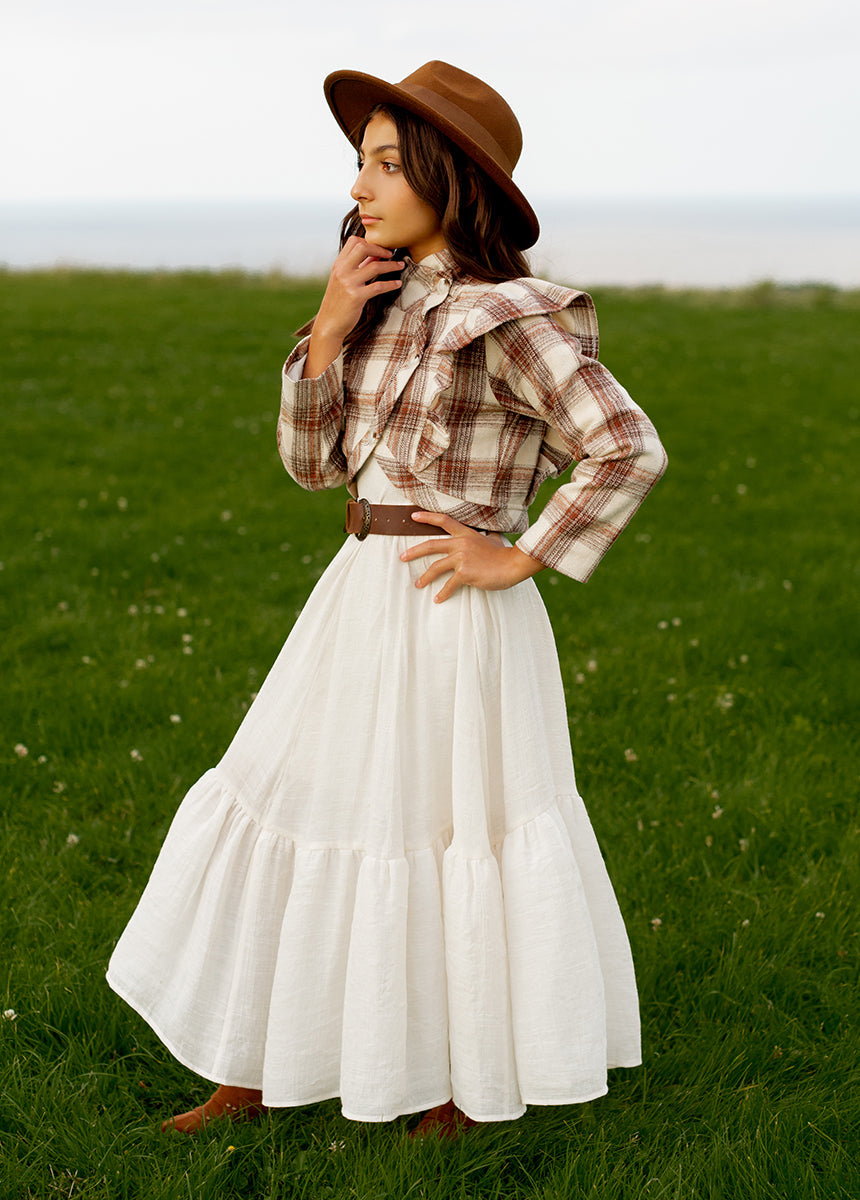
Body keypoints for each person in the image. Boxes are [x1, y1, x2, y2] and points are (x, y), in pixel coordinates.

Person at [107, 60, 667, 1140]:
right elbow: (314, 468)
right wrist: (324, 331)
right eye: (356, 163)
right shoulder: (370, 298)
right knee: (296, 799)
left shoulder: (513, 315)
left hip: (452, 606)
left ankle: (454, 1081)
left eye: (385, 163)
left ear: (447, 178)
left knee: (437, 823)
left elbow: (621, 446)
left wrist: (523, 555)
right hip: (355, 595)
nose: (360, 185)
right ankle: (255, 1059)